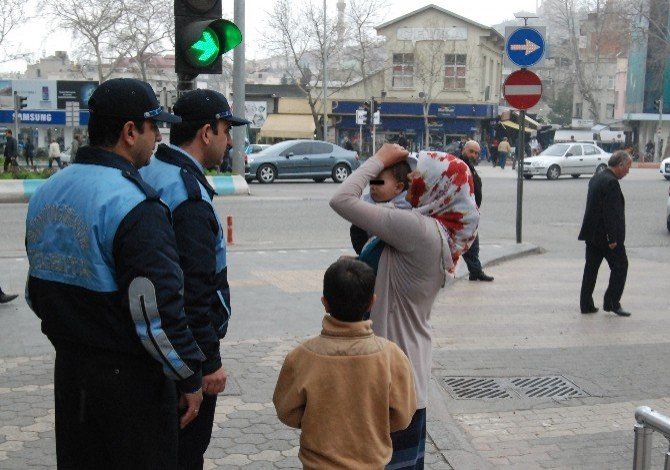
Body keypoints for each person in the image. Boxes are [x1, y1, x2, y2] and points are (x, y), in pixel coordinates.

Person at [25, 78, 205, 469]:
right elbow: (155, 312)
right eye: (153, 127)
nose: (159, 137)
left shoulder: (48, 191)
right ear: (129, 132)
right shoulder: (134, 204)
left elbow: (34, 290)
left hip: (71, 374)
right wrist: (188, 375)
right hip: (131, 387)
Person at [330, 144, 479, 468]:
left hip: (390, 373)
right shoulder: (431, 229)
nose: (409, 186)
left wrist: (379, 160)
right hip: (405, 368)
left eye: (417, 181)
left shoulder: (414, 229)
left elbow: (342, 200)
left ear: (438, 189)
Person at [140, 88, 249, 469]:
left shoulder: (151, 170)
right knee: (185, 452)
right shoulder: (188, 195)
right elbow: (193, 290)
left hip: (150, 342)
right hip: (183, 356)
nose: (229, 139)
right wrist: (207, 363)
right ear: (207, 133)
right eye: (225, 129)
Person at [273, 258, 416, 469]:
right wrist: (372, 422)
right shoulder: (391, 356)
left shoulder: (301, 357)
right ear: (372, 302)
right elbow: (402, 416)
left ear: (325, 302)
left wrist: (317, 420)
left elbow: (287, 411)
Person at [578, 150, 632, 317]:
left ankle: (585, 304)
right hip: (607, 238)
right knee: (621, 266)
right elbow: (610, 213)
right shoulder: (611, 183)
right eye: (627, 168)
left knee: (591, 269)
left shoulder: (597, 177)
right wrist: (612, 238)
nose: (628, 172)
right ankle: (612, 302)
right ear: (620, 165)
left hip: (592, 235)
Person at [350, 160, 413, 257]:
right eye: (372, 180)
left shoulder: (408, 208)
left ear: (398, 187)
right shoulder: (366, 205)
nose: (372, 186)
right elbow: (357, 237)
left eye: (379, 181)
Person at [459, 140, 494, 282]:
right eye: (471, 151)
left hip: (469, 213)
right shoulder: (459, 165)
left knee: (472, 244)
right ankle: (475, 271)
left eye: (476, 153)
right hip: (460, 213)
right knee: (465, 243)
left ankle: (475, 271)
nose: (473, 155)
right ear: (464, 150)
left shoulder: (469, 167)